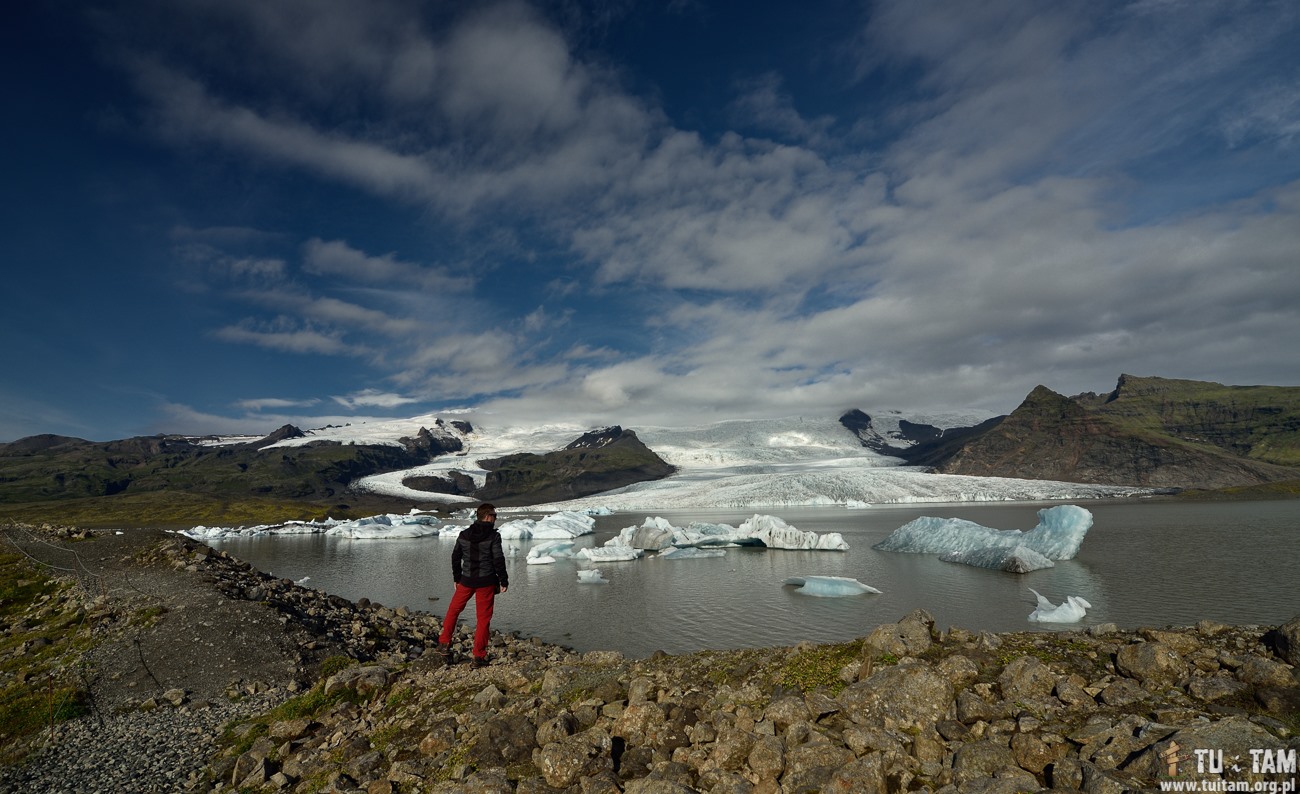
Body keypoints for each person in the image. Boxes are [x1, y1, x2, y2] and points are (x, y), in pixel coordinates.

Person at [437, 503, 508, 667]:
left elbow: (455, 557)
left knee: (453, 610)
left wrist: (457, 578)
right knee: (483, 619)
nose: (496, 519)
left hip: (466, 580)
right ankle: (478, 657)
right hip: (486, 581)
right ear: (487, 516)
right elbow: (498, 559)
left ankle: (444, 643)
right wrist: (503, 580)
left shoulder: (464, 534)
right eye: (494, 516)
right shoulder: (493, 536)